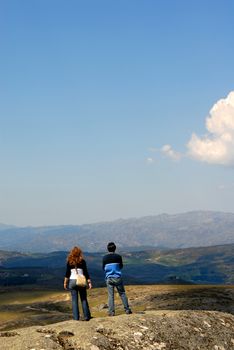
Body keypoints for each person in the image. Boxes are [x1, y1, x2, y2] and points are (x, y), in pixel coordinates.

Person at [102, 242, 132, 316]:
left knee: (110, 295)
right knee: (122, 293)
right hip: (118, 277)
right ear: (115, 248)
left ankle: (111, 312)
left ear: (107, 249)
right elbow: (121, 266)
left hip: (109, 278)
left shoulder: (104, 258)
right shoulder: (118, 257)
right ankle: (127, 310)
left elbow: (103, 268)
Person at [64, 246, 92, 321]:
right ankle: (87, 317)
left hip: (72, 281)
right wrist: (89, 282)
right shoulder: (82, 261)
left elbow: (67, 273)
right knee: (83, 299)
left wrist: (65, 283)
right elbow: (86, 272)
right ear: (80, 253)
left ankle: (76, 318)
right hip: (81, 281)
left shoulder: (69, 261)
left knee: (74, 301)